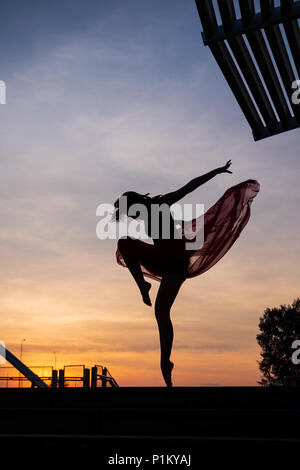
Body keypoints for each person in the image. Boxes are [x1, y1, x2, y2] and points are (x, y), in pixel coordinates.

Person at [113, 161, 260, 386]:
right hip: (171, 262)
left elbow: (189, 186)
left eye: (130, 213)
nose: (132, 218)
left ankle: (143, 287)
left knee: (125, 244)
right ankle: (165, 361)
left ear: (136, 205)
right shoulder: (152, 211)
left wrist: (216, 171)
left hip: (173, 256)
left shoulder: (161, 202)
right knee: (161, 312)